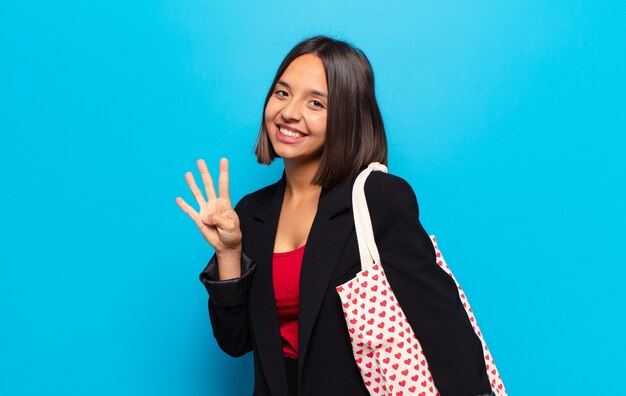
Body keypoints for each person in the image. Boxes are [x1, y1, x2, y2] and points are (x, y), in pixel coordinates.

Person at [176, 36, 493, 396]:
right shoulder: (251, 213)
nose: (289, 112)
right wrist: (229, 254)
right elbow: (235, 341)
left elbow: (444, 328)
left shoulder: (377, 198)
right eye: (282, 93)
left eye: (315, 102)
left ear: (346, 116)